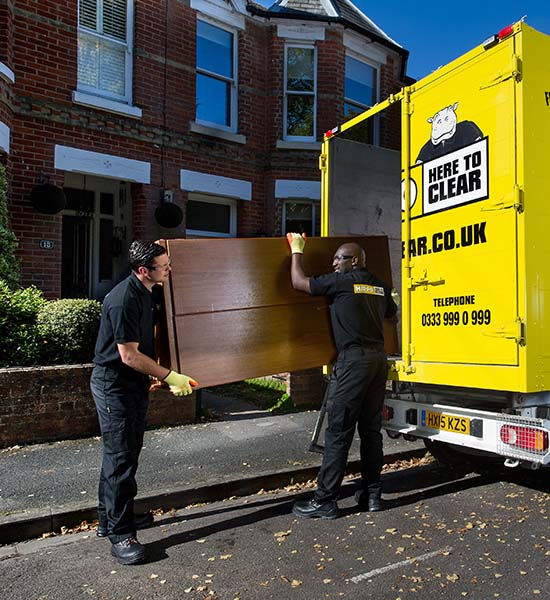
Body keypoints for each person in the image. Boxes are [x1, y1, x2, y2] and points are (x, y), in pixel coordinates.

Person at [90, 240, 198, 565]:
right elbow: (128, 355)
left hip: (130, 384)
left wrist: (149, 374)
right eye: (163, 266)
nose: (168, 269)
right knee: (120, 456)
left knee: (124, 452)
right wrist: (170, 376)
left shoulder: (146, 291)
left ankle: (108, 519)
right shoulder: (124, 299)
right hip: (114, 387)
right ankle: (120, 535)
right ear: (143, 270)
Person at [286, 233, 397, 519]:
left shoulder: (342, 281)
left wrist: (297, 250)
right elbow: (391, 315)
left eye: (339, 258)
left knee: (338, 432)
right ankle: (372, 495)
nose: (334, 264)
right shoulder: (380, 286)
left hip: (353, 363)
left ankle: (325, 501)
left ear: (355, 260)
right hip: (377, 361)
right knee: (371, 431)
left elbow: (299, 283)